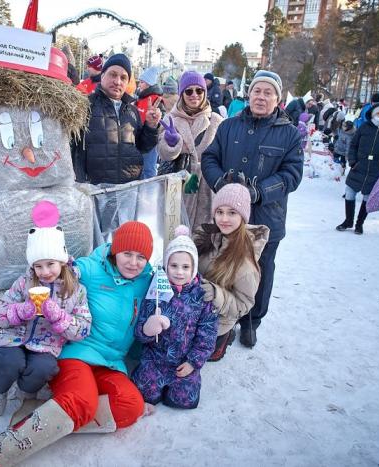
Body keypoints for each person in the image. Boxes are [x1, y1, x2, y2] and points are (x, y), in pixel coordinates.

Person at [0, 222, 155, 466]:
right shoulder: (91, 269)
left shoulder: (147, 280)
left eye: (141, 257)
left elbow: (178, 286)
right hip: (77, 352)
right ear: (115, 251)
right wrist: (1, 316)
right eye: (127, 254)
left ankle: (40, 415)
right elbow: (54, 269)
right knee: (83, 401)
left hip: (112, 362)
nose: (133, 263)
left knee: (132, 406)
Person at [202, 69, 303, 349]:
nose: (261, 97)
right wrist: (222, 184)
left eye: (268, 92)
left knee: (260, 270)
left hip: (266, 218)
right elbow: (210, 158)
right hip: (229, 218)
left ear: (277, 98)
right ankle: (224, 320)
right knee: (225, 265)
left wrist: (258, 192)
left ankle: (251, 322)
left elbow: (291, 175)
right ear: (250, 94)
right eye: (257, 91)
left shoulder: (290, 134)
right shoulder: (229, 126)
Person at [0, 201, 91, 417]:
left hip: (46, 343)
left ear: (61, 261)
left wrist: (59, 317)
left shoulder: (76, 291)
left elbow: (83, 329)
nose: (44, 271)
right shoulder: (24, 283)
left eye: (50, 264)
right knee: (8, 360)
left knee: (43, 368)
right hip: (13, 337)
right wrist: (21, 311)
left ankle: (26, 392)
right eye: (38, 266)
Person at [132, 225, 217, 410]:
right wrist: (147, 329)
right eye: (174, 265)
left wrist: (193, 362)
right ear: (166, 265)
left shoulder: (201, 296)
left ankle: (179, 388)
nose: (179, 272)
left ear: (193, 267)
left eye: (185, 267)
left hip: (183, 360)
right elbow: (140, 328)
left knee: (184, 399)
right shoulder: (156, 290)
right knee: (143, 391)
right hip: (155, 359)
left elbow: (207, 335)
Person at [195, 184, 269, 361]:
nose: (224, 218)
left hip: (216, 322)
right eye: (219, 211)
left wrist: (217, 295)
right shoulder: (207, 235)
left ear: (243, 216)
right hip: (193, 311)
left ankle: (224, 339)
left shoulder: (246, 263)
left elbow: (243, 305)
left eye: (232, 212)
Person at [73, 54, 161, 185]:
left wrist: (151, 126)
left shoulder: (132, 111)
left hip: (127, 190)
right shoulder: (85, 106)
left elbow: (143, 147)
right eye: (113, 75)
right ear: (102, 76)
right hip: (94, 191)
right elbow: (72, 149)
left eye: (123, 77)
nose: (117, 81)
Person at [157, 71, 223, 229]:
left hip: (205, 192)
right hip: (176, 188)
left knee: (203, 241)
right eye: (189, 91)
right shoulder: (170, 119)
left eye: (199, 90)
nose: (195, 95)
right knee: (174, 237)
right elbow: (163, 154)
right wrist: (172, 144)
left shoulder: (216, 121)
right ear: (181, 94)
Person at [336, 102, 379, 234]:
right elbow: (353, 145)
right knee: (350, 193)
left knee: (367, 196)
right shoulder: (364, 127)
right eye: (378, 113)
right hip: (359, 166)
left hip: (376, 169)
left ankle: (360, 223)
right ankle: (348, 221)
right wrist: (353, 161)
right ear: (372, 114)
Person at [135, 67, 164, 180]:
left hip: (151, 141)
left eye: (142, 82)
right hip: (140, 138)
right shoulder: (142, 98)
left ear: (148, 84)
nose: (139, 85)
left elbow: (160, 120)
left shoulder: (155, 99)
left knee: (149, 169)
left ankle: (148, 193)